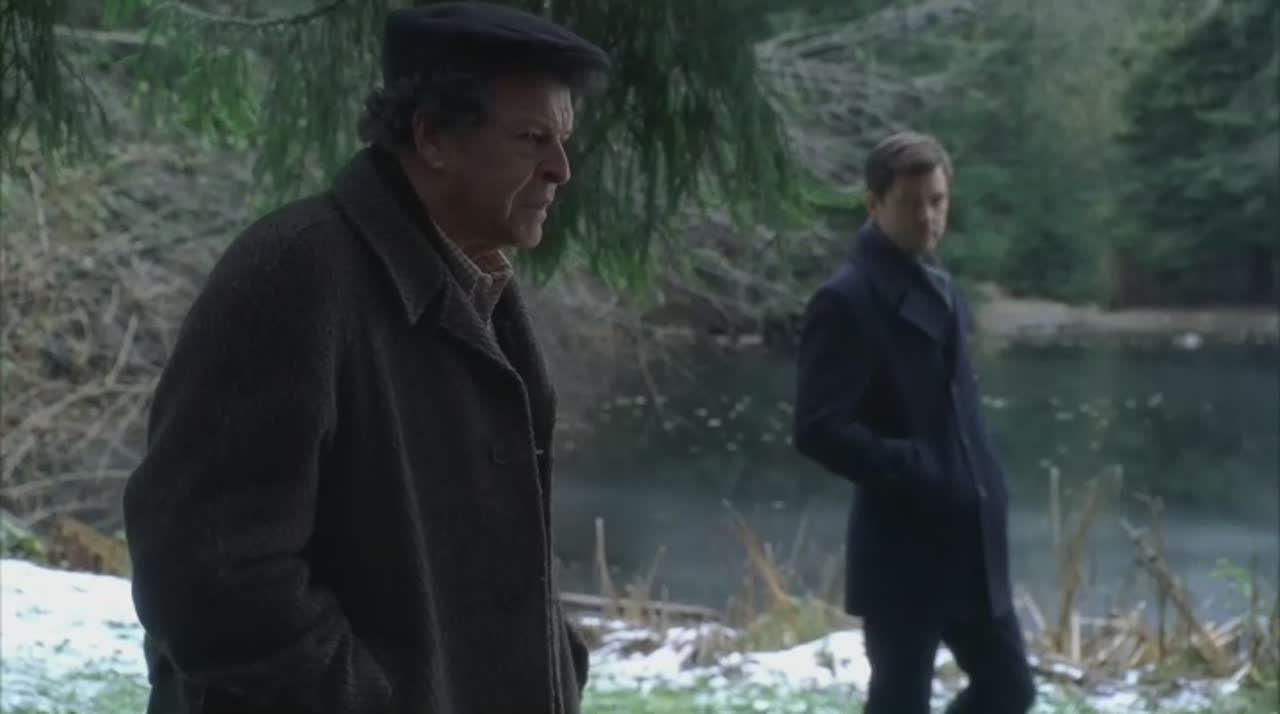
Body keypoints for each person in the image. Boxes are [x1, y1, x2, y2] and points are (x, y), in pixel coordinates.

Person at [120, 4, 609, 713]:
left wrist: (556, 666)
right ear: (432, 137)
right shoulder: (294, 274)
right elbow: (208, 574)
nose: (560, 169)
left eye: (563, 141)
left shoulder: (481, 287)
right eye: (533, 138)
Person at [791, 131, 1036, 714]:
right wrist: (916, 467)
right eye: (911, 203)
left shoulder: (942, 287)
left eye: (938, 200)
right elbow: (817, 427)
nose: (928, 216)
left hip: (972, 541)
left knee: (1010, 692)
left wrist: (981, 481)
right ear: (874, 205)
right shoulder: (845, 300)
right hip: (904, 549)